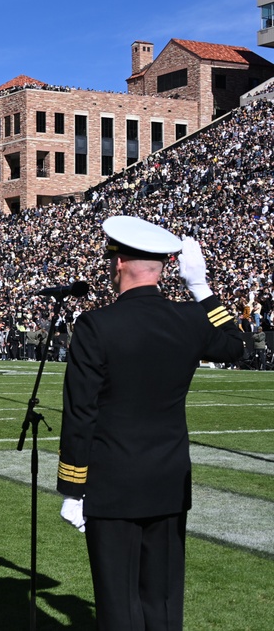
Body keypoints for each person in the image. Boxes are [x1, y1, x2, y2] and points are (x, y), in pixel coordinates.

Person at [57, 216, 245, 630]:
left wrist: (72, 488)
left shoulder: (96, 325)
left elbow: (80, 412)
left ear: (118, 262)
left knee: (118, 603)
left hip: (113, 481)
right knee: (161, 601)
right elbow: (236, 345)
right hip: (168, 478)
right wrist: (201, 288)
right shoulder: (190, 319)